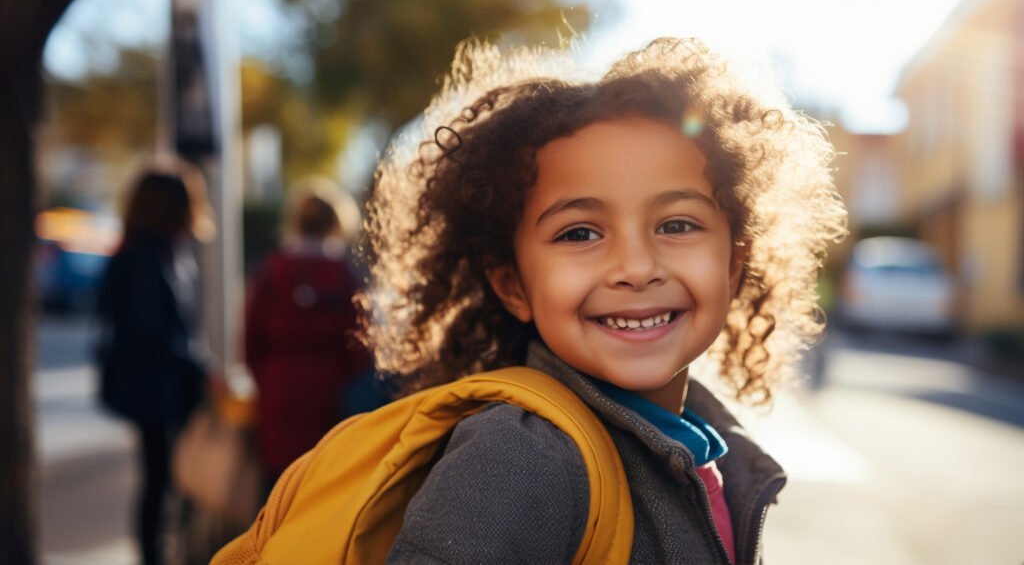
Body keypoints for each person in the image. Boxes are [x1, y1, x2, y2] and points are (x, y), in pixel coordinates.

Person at [359, 37, 848, 564]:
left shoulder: (702, 445)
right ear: (513, 286)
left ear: (732, 265)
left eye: (677, 224)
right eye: (579, 234)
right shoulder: (519, 459)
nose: (636, 268)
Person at [94, 157, 215, 565]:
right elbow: (153, 331)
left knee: (161, 480)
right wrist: (201, 368)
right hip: (157, 390)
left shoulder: (150, 251)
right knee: (161, 481)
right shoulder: (149, 257)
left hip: (158, 388)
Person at [244, 183, 372, 492]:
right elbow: (360, 345)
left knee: (276, 487)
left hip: (278, 391)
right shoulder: (344, 274)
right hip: (328, 394)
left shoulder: (273, 270)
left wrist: (263, 380)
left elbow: (251, 338)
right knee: (319, 486)